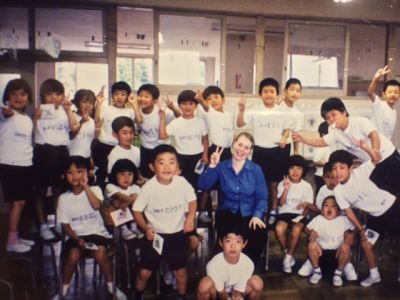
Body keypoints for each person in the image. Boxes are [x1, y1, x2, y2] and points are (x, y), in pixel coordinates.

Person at [292, 97, 400, 197]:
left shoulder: (359, 122)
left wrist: (375, 149)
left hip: (389, 156)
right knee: (386, 195)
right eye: (328, 118)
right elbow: (322, 141)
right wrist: (303, 139)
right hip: (373, 165)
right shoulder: (336, 133)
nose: (331, 119)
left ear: (344, 112)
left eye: (334, 115)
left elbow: (373, 135)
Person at [56, 156, 126, 299]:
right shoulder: (63, 198)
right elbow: (66, 225)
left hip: (97, 233)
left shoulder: (94, 189)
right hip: (76, 236)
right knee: (72, 256)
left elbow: (96, 205)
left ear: (87, 173)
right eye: (70, 173)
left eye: (79, 171)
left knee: (100, 254)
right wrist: (77, 239)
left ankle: (111, 287)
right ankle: (63, 291)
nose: (75, 176)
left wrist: (85, 186)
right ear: (64, 176)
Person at [133, 144, 197, 300]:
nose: (167, 167)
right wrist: (145, 228)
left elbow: (192, 201)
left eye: (172, 162)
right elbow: (137, 210)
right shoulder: (148, 187)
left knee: (180, 273)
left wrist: (190, 219)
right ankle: (138, 296)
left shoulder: (182, 182)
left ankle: (181, 297)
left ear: (177, 165)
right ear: (152, 166)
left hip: (176, 235)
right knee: (144, 273)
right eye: (161, 162)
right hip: (155, 236)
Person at [329, 149, 400, 286]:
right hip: (376, 217)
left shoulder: (360, 173)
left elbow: (376, 158)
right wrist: (360, 229)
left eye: (342, 168)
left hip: (393, 207)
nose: (338, 172)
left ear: (350, 168)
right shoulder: (338, 191)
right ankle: (375, 275)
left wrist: (366, 148)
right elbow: (349, 212)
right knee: (366, 243)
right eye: (334, 168)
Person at [198, 132, 268, 265]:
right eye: (240, 144)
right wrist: (212, 166)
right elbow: (203, 185)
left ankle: (247, 269)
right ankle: (226, 269)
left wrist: (257, 215)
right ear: (233, 146)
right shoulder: (222, 166)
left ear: (250, 152)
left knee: (258, 233)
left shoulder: (256, 170)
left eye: (246, 148)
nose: (241, 150)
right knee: (230, 238)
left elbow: (262, 196)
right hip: (226, 212)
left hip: (250, 213)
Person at [236, 78, 292, 226]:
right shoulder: (254, 108)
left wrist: (284, 138)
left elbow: (287, 128)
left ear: (277, 93)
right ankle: (259, 211)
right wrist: (241, 110)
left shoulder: (282, 110)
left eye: (272, 91)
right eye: (265, 91)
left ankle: (273, 210)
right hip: (260, 150)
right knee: (259, 184)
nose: (269, 94)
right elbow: (240, 124)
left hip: (277, 151)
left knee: (274, 185)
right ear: (260, 94)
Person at [33, 79, 79, 240]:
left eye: (58, 94)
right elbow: (31, 133)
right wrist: (35, 118)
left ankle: (60, 223)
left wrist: (68, 110)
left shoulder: (65, 110)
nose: (54, 98)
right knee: (41, 190)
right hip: (43, 151)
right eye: (49, 94)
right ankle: (43, 226)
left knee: (60, 190)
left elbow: (74, 128)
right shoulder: (39, 110)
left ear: (63, 96)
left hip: (61, 152)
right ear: (42, 96)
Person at [0, 79, 35, 252]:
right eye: (13, 93)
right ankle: (11, 241)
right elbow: (5, 113)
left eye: (22, 94)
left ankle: (16, 236)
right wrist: (5, 110)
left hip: (25, 164)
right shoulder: (8, 114)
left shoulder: (26, 118)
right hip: (10, 164)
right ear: (7, 97)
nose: (18, 97)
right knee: (18, 203)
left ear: (28, 98)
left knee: (22, 203)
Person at [195, 86, 234, 223]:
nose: (213, 101)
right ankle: (201, 212)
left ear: (223, 99)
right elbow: (206, 108)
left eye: (216, 97)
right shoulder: (210, 113)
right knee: (207, 185)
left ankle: (224, 212)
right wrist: (200, 100)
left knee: (226, 184)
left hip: (228, 152)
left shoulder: (229, 115)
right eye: (209, 99)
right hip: (215, 152)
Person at [93, 81, 142, 188]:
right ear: (112, 96)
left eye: (123, 94)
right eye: (116, 94)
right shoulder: (106, 109)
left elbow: (139, 120)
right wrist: (99, 103)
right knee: (103, 173)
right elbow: (96, 120)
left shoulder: (129, 111)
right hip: (104, 146)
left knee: (121, 173)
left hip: (121, 147)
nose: (119, 97)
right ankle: (103, 197)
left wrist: (134, 104)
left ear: (128, 96)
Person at [196, 224, 264, 300]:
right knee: (204, 285)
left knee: (258, 282)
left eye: (238, 241)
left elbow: (238, 291)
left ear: (244, 244)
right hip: (219, 294)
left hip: (237, 294)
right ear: (221, 242)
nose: (233, 246)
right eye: (228, 241)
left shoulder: (248, 264)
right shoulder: (212, 265)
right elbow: (222, 293)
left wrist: (237, 297)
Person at [159, 90, 209, 190]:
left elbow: (205, 139)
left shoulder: (200, 122)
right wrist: (162, 119)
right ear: (179, 105)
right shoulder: (175, 123)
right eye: (184, 104)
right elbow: (163, 136)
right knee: (182, 186)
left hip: (198, 158)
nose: (187, 107)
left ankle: (199, 206)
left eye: (191, 104)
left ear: (196, 106)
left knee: (199, 185)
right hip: (181, 158)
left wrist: (205, 154)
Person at [274, 155, 313, 274]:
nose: (295, 172)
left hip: (299, 215)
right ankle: (288, 254)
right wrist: (286, 189)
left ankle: (287, 259)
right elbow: (281, 204)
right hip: (284, 213)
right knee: (279, 229)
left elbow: (308, 206)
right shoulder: (282, 183)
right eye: (292, 168)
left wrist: (301, 216)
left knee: (296, 231)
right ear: (287, 170)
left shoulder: (307, 186)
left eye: (299, 168)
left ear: (303, 171)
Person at [305, 196, 355, 287]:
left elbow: (354, 229)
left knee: (346, 246)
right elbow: (306, 229)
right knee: (312, 245)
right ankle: (316, 271)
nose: (329, 208)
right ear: (322, 209)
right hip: (321, 254)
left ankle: (338, 273)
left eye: (333, 206)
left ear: (339, 210)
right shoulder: (318, 219)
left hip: (337, 255)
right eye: (326, 205)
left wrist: (350, 234)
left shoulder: (343, 219)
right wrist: (311, 232)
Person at [135, 84, 180, 179]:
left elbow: (180, 118)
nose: (142, 98)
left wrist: (172, 107)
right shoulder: (136, 112)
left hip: (162, 148)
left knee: (163, 176)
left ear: (155, 100)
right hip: (146, 149)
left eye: (146, 96)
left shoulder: (162, 111)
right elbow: (138, 125)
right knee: (146, 176)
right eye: (140, 95)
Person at [105, 159, 141, 240]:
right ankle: (123, 228)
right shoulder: (110, 186)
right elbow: (121, 197)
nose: (126, 178)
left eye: (130, 174)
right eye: (122, 174)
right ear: (115, 175)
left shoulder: (135, 187)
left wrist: (126, 203)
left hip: (132, 215)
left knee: (135, 199)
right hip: (115, 217)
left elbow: (135, 199)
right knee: (116, 201)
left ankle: (134, 227)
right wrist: (127, 202)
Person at [367, 65, 400, 140]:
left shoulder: (394, 112)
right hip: (374, 144)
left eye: (396, 92)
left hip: (385, 146)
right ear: (384, 94)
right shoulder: (379, 105)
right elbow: (370, 93)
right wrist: (376, 78)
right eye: (390, 92)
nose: (393, 94)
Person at [68, 89, 96, 176]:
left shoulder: (92, 121)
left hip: (85, 158)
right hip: (71, 157)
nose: (88, 105)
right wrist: (82, 122)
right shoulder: (71, 116)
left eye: (91, 103)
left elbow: (89, 142)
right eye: (84, 102)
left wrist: (91, 158)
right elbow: (70, 136)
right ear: (76, 103)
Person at [280, 78, 303, 156]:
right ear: (285, 90)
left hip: (286, 146)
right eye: (292, 89)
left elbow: (295, 134)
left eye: (297, 90)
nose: (294, 93)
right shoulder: (277, 106)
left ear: (300, 94)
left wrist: (296, 152)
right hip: (271, 145)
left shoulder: (297, 112)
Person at [312, 121, 335, 194]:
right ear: (324, 134)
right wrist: (330, 165)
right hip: (321, 177)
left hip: (326, 176)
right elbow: (315, 162)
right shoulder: (322, 147)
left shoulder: (328, 145)